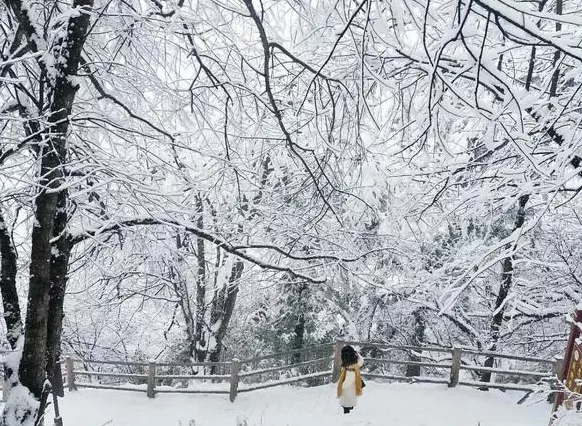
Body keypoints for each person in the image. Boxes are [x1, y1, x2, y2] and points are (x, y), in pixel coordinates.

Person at [337, 345, 364, 414]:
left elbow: (346, 384)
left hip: (348, 394)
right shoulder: (355, 363)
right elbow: (361, 359)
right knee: (349, 408)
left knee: (347, 410)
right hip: (351, 392)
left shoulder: (350, 369)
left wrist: (341, 385)